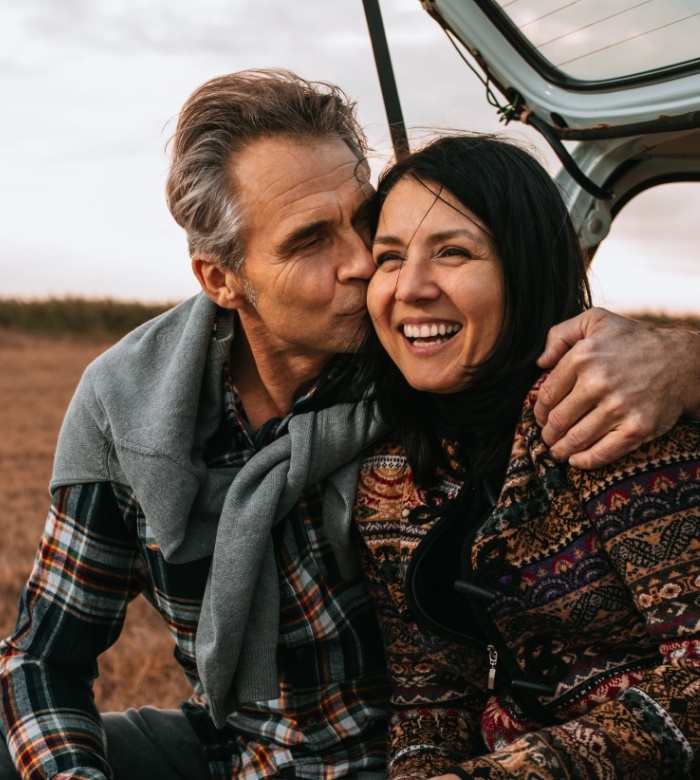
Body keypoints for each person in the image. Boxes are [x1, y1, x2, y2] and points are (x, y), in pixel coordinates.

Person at [0, 70, 698, 780]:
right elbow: (43, 654)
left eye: (364, 224)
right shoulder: (127, 405)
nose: (366, 265)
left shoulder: (427, 359)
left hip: (396, 754)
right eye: (310, 241)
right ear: (220, 279)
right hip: (243, 749)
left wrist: (688, 357)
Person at [351, 133, 700, 780]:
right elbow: (429, 699)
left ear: (526, 266)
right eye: (390, 257)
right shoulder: (389, 475)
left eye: (453, 252)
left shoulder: (607, 414)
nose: (411, 287)